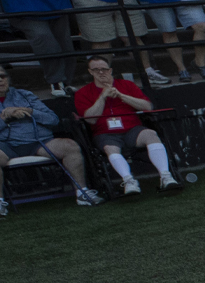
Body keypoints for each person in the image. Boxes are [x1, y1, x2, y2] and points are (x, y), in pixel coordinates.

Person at [0, 64, 103, 211]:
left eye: (3, 76)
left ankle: (82, 192)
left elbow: (52, 119)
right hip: (4, 146)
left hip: (38, 142)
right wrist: (3, 118)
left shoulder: (25, 95)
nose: (0, 80)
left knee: (70, 146)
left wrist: (31, 111)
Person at [73, 54, 181, 194]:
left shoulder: (127, 85)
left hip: (132, 129)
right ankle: (129, 180)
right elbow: (90, 119)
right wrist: (102, 97)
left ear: (110, 70)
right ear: (90, 72)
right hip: (105, 133)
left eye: (104, 69)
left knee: (151, 134)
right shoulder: (82, 93)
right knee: (111, 148)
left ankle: (166, 176)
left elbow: (147, 107)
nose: (101, 72)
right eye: (96, 70)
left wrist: (121, 96)